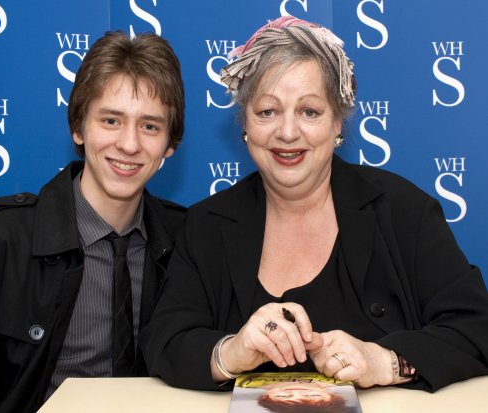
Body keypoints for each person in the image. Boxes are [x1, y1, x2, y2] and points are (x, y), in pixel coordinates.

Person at [139, 16, 488, 393]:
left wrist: (385, 361)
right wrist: (230, 351)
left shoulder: (404, 211)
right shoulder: (206, 224)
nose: (288, 132)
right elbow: (165, 340)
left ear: (338, 123)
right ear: (245, 125)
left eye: (309, 111)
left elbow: (476, 325)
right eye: (267, 111)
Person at [0, 31, 185, 413]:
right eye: (111, 120)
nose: (129, 144)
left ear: (170, 145)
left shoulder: (187, 242)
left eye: (149, 126)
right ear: (78, 128)